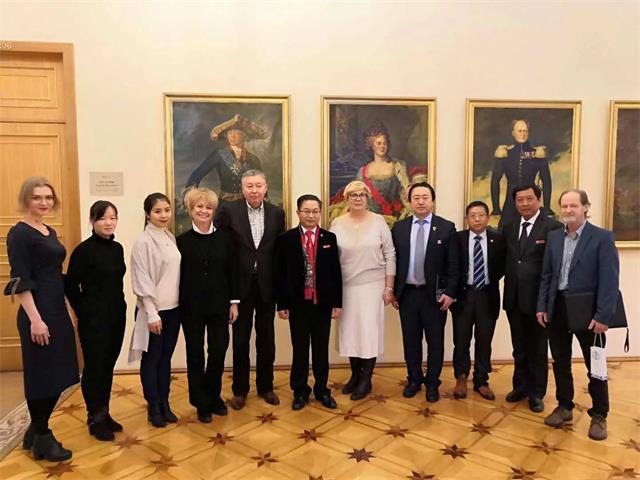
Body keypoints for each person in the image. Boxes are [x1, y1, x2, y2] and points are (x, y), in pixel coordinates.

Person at [4, 177, 79, 461]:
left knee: (61, 374)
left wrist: (68, 308)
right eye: (37, 197)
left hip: (56, 310)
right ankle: (43, 438)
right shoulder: (19, 234)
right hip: (37, 313)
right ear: (26, 200)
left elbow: (55, 274)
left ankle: (34, 430)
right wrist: (35, 320)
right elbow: (20, 279)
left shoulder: (48, 231)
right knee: (42, 377)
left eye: (48, 197)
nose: (44, 202)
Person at [537, 189, 619, 440]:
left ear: (585, 207)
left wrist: (603, 316)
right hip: (558, 308)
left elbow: (610, 280)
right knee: (560, 361)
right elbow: (547, 276)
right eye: (564, 206)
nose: (568, 210)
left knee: (595, 364)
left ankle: (599, 415)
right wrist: (542, 306)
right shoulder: (554, 237)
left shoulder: (602, 238)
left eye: (573, 205)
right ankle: (564, 406)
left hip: (588, 312)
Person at [215, 169, 286, 410]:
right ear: (242, 188)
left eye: (258, 186)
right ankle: (240, 390)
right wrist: (229, 294)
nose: (254, 190)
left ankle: (266, 387)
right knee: (240, 341)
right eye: (249, 186)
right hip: (240, 287)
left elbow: (279, 253)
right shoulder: (228, 211)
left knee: (267, 340)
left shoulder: (277, 213)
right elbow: (223, 250)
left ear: (265, 188)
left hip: (267, 286)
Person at [391, 182, 459, 402]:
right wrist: (393, 290)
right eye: (416, 198)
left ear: (432, 201)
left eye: (425, 197)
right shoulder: (399, 228)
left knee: (435, 342)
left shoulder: (446, 227)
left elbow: (454, 264)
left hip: (435, 296)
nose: (421, 202)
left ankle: (432, 383)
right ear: (409, 202)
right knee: (410, 341)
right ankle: (414, 379)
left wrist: (450, 292)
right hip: (407, 294)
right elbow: (393, 261)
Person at [65, 201, 126, 441]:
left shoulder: (117, 248)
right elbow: (70, 286)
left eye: (113, 217)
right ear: (92, 221)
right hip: (94, 319)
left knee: (108, 365)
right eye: (102, 218)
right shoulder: (83, 251)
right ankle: (95, 417)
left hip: (116, 316)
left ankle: (105, 412)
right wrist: (83, 312)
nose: (108, 223)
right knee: (94, 367)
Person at [177, 188, 239, 423]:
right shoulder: (181, 241)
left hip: (219, 306)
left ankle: (214, 397)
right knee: (195, 355)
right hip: (191, 307)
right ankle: (200, 402)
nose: (204, 211)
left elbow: (233, 272)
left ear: (214, 211)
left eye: (208, 207)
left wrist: (234, 302)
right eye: (199, 207)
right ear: (190, 210)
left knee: (218, 351)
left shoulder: (226, 239)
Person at [330, 180, 396, 401]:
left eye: (361, 195)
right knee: (350, 334)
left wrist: (389, 287)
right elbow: (331, 258)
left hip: (372, 286)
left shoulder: (379, 222)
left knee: (368, 334)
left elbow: (390, 254)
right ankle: (355, 376)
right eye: (353, 195)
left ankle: (366, 380)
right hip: (346, 287)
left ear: (368, 198)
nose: (357, 198)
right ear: (346, 199)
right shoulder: (337, 223)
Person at [275, 194, 342, 410]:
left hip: (322, 304)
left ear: (320, 213)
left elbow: (336, 273)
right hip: (297, 304)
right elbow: (280, 274)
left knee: (321, 349)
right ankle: (300, 391)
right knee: (300, 349)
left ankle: (322, 390)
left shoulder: (329, 238)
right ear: (298, 213)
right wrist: (281, 304)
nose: (311, 216)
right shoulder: (286, 239)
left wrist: (337, 303)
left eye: (315, 211)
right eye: (306, 211)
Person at [502, 184, 563, 412]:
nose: (525, 203)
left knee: (537, 349)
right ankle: (520, 387)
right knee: (518, 347)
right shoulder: (508, 227)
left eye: (529, 198)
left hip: (539, 302)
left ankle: (536, 393)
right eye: (520, 200)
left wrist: (548, 302)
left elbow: (555, 268)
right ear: (515, 202)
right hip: (513, 298)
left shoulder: (553, 227)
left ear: (539, 199)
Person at [128, 193, 182, 428]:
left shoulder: (169, 237)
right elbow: (142, 280)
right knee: (151, 360)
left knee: (165, 359)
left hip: (173, 310)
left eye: (167, 210)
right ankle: (153, 406)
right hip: (154, 313)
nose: (163, 215)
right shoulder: (143, 242)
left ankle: (164, 402)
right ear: (147, 214)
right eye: (158, 211)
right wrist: (151, 313)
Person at [450, 201, 505, 401]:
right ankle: (461, 377)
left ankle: (481, 380)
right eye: (472, 215)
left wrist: (488, 281)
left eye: (481, 215)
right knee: (461, 339)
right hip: (464, 295)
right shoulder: (457, 239)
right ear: (467, 219)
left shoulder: (498, 239)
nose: (477, 219)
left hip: (487, 296)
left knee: (484, 340)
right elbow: (452, 266)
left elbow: (501, 267)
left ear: (488, 217)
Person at [330, 122, 411, 227]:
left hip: (391, 219)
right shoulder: (363, 171)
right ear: (372, 145)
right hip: (367, 220)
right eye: (379, 143)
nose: (382, 146)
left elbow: (404, 191)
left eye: (385, 143)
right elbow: (357, 195)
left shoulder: (397, 166)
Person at [185, 114, 267, 202]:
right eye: (229, 133)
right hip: (225, 204)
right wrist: (189, 195)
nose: (232, 136)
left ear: (244, 136)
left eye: (236, 133)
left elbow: (260, 183)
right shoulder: (219, 155)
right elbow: (198, 173)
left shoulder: (253, 159)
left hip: (246, 204)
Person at [491, 119, 553, 228]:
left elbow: (546, 181)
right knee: (506, 231)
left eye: (525, 131)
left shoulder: (537, 154)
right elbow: (495, 181)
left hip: (531, 200)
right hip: (510, 201)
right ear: (513, 133)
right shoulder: (505, 154)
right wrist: (496, 208)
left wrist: (547, 207)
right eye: (519, 131)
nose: (522, 134)